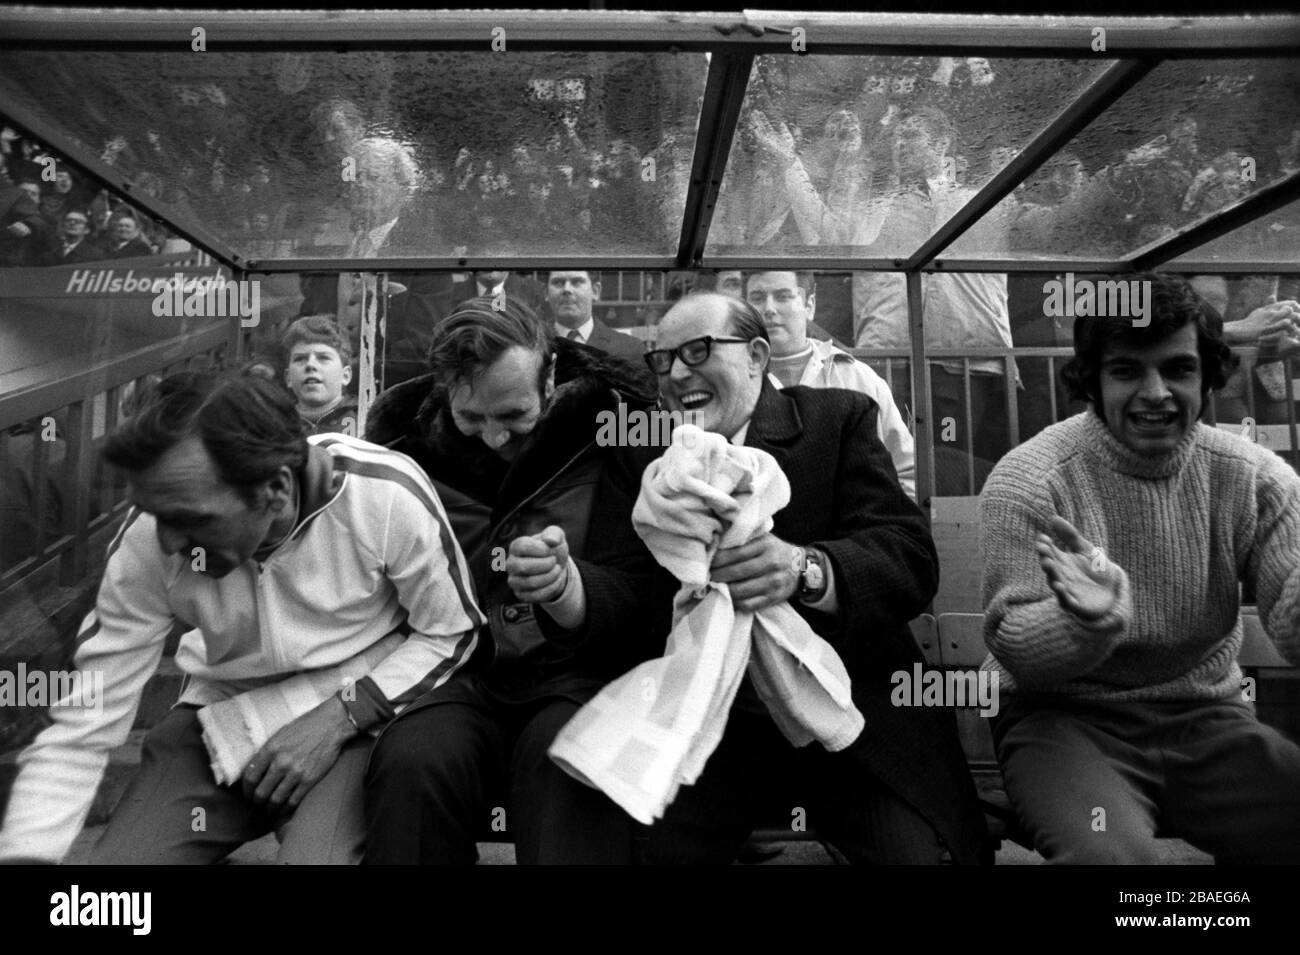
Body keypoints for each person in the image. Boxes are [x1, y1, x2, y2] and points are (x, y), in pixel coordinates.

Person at [0, 370, 482, 863]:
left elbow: (451, 632)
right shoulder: (154, 533)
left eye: (192, 517)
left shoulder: (381, 492)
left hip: (349, 716)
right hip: (219, 719)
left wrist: (344, 713)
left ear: (274, 489)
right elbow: (86, 721)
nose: (166, 541)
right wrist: (26, 856)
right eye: (154, 512)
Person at [639, 291, 988, 865]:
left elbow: (909, 559)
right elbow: (630, 589)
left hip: (851, 719)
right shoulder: (652, 462)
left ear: (755, 355)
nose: (677, 373)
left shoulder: (835, 418)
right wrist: (564, 587)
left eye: (698, 351)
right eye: (663, 359)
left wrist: (805, 569)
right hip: (712, 732)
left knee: (918, 858)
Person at [980, 273, 1300, 864]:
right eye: (1127, 370)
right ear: (1093, 382)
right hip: (1066, 724)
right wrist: (1086, 624)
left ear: (1207, 378)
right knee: (1114, 865)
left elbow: (1290, 615)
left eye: (1177, 369)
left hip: (1210, 722)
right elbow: (1014, 649)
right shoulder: (1031, 478)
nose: (1155, 392)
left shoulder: (1256, 477)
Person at [362, 297, 676, 865]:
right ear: (441, 388)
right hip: (454, 674)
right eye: (470, 418)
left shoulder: (620, 429)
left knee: (573, 760)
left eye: (513, 416)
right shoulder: (398, 444)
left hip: (578, 673)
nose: (493, 439)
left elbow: (650, 590)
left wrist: (570, 587)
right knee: (411, 763)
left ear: (551, 375)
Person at [852, 107, 1018, 493]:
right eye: (896, 137)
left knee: (946, 460)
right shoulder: (875, 208)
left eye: (910, 134)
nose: (899, 144)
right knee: (884, 460)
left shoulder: (980, 202)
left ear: (941, 143)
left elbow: (1043, 225)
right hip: (886, 357)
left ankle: (939, 542)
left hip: (959, 358)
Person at [746, 269, 916, 499]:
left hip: (852, 529)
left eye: (783, 296)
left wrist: (887, 527)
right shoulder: (732, 380)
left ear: (810, 306)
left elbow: (906, 468)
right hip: (761, 531)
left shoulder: (857, 378)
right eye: (757, 298)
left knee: (950, 432)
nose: (769, 309)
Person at [282, 315, 359, 436]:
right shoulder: (275, 424)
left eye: (323, 358)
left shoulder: (365, 420)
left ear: (346, 376)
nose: (310, 365)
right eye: (300, 359)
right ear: (288, 378)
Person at [547, 270, 645, 361]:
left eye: (576, 282)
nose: (566, 289)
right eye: (558, 283)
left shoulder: (630, 349)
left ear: (595, 291)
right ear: (546, 293)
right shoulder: (534, 346)